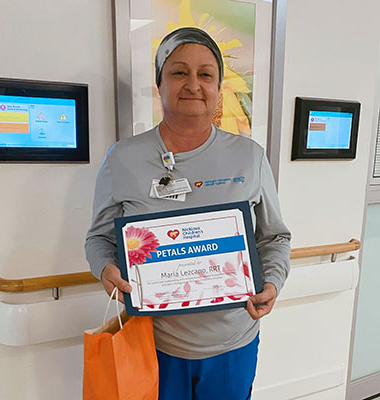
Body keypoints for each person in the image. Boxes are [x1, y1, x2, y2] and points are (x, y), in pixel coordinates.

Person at [85, 27, 291, 400]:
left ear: (218, 88)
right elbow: (99, 238)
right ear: (159, 83)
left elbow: (275, 237)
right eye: (179, 72)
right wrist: (105, 268)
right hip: (153, 342)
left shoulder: (249, 157)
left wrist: (273, 282)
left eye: (205, 74)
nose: (193, 84)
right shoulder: (123, 158)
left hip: (234, 342)